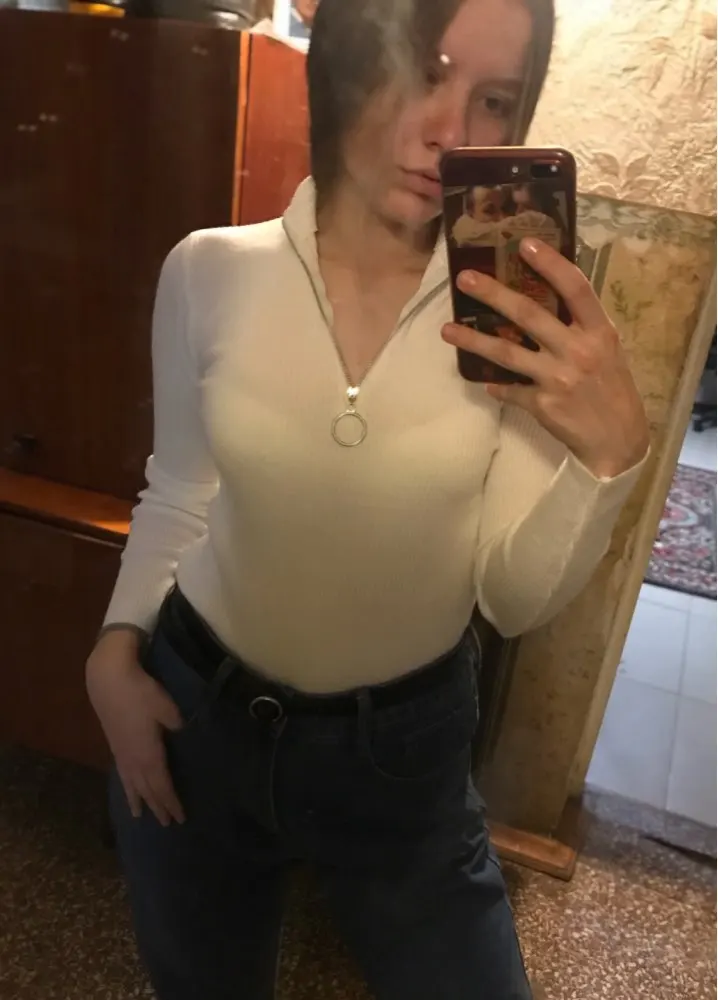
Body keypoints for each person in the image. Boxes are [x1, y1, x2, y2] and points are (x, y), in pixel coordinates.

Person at [86, 1, 650, 998]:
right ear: (346, 59)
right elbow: (179, 487)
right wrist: (115, 649)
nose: (451, 129)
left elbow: (511, 598)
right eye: (423, 67)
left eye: (495, 98)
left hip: (404, 756)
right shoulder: (209, 271)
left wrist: (608, 463)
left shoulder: (511, 323)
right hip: (196, 711)